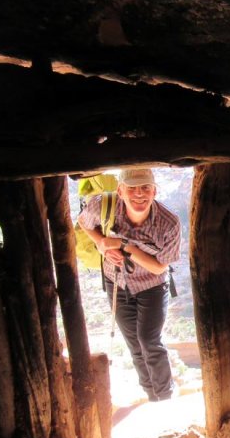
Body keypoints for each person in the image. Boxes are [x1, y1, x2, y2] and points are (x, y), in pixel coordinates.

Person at [78, 168, 181, 401]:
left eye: (145, 188)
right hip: (116, 282)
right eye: (132, 188)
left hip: (151, 286)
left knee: (149, 340)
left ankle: (165, 395)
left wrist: (126, 247)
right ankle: (151, 394)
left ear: (154, 190)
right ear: (120, 191)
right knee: (134, 343)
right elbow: (84, 222)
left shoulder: (169, 223)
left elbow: (159, 268)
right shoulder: (102, 206)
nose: (139, 194)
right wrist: (103, 244)